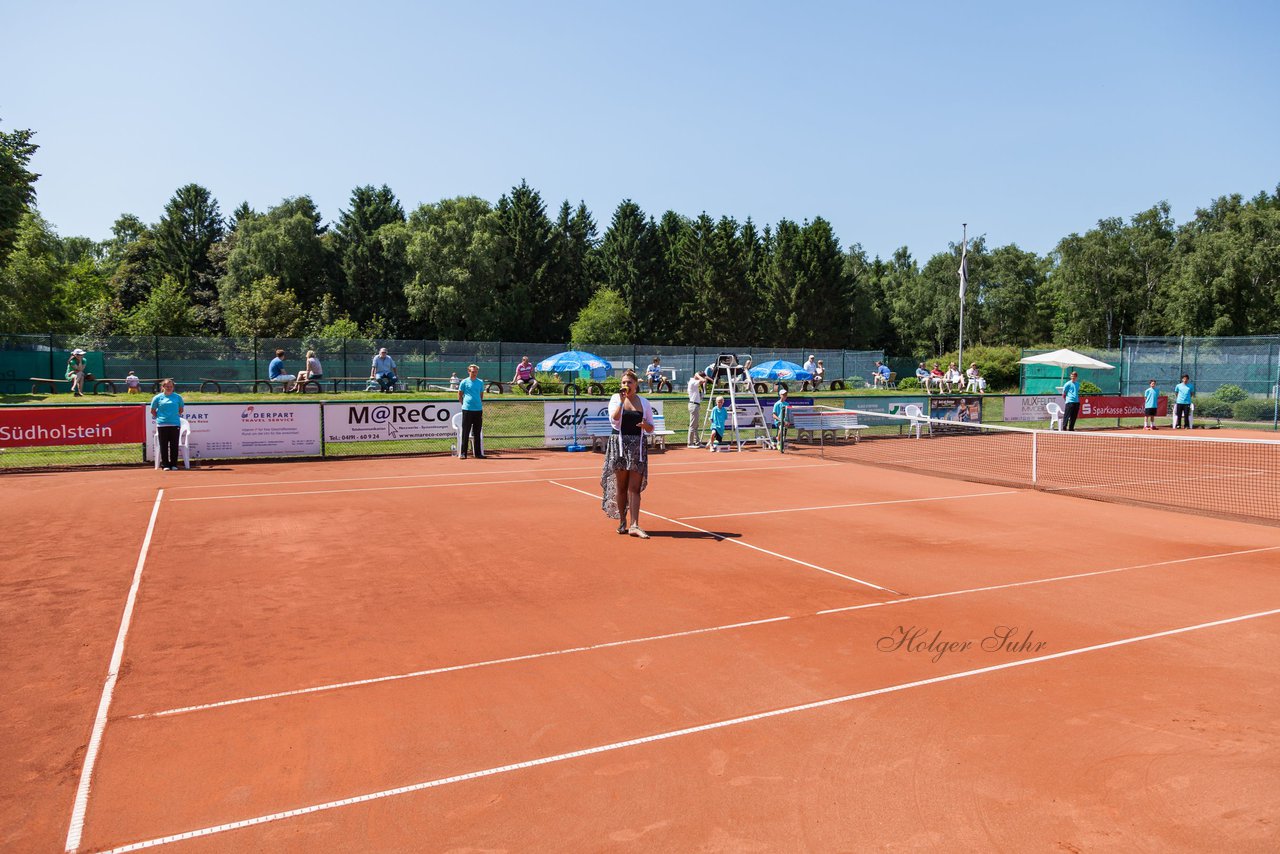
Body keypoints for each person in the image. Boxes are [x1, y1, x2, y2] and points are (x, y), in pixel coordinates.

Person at [601, 370, 654, 537]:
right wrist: (622, 402)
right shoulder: (616, 399)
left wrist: (645, 426)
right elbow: (614, 419)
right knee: (621, 487)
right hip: (619, 445)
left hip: (637, 447)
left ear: (636, 384)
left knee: (634, 488)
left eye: (629, 382)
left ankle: (635, 525)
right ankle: (623, 522)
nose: (626, 385)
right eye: (623, 383)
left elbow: (651, 427)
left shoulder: (644, 402)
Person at [150, 378, 185, 471]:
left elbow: (181, 410)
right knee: (163, 445)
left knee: (174, 445)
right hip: (162, 425)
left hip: (175, 424)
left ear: (173, 387)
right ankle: (165, 465)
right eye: (167, 386)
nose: (169, 388)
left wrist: (172, 416)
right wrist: (161, 418)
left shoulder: (178, 397)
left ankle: (174, 464)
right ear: (163, 387)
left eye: (171, 386)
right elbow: (153, 411)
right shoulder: (157, 398)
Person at [457, 363, 486, 458]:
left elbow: (481, 395)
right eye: (473, 372)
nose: (475, 373)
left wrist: (478, 403)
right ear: (469, 371)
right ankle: (463, 453)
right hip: (467, 410)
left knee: (477, 432)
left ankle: (478, 454)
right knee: (465, 431)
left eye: (476, 372)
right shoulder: (464, 382)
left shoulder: (480, 382)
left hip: (478, 410)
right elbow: (460, 394)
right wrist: (464, 404)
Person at [686, 370, 706, 447]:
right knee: (692, 425)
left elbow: (704, 380)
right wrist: (697, 375)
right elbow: (703, 380)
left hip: (695, 405)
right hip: (693, 405)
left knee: (695, 425)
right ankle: (690, 443)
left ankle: (697, 442)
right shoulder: (693, 382)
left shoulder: (694, 382)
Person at [772, 388, 790, 452]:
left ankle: (779, 439)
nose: (785, 396)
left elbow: (789, 414)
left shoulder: (787, 404)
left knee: (784, 433)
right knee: (781, 428)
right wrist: (780, 419)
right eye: (783, 395)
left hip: (785, 421)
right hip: (778, 421)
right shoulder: (776, 404)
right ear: (780, 395)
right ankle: (778, 443)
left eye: (786, 395)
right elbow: (774, 415)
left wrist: (788, 421)